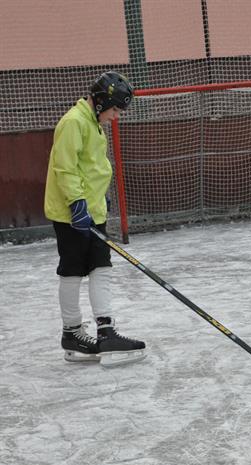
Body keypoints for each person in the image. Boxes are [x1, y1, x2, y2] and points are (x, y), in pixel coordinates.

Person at [44, 71, 147, 366]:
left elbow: (91, 168)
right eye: (115, 110)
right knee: (73, 270)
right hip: (72, 215)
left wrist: (99, 198)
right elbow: (66, 168)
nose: (116, 117)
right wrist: (77, 203)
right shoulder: (73, 122)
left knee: (101, 266)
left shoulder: (93, 122)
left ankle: (105, 331)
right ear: (101, 102)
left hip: (92, 212)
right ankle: (72, 332)